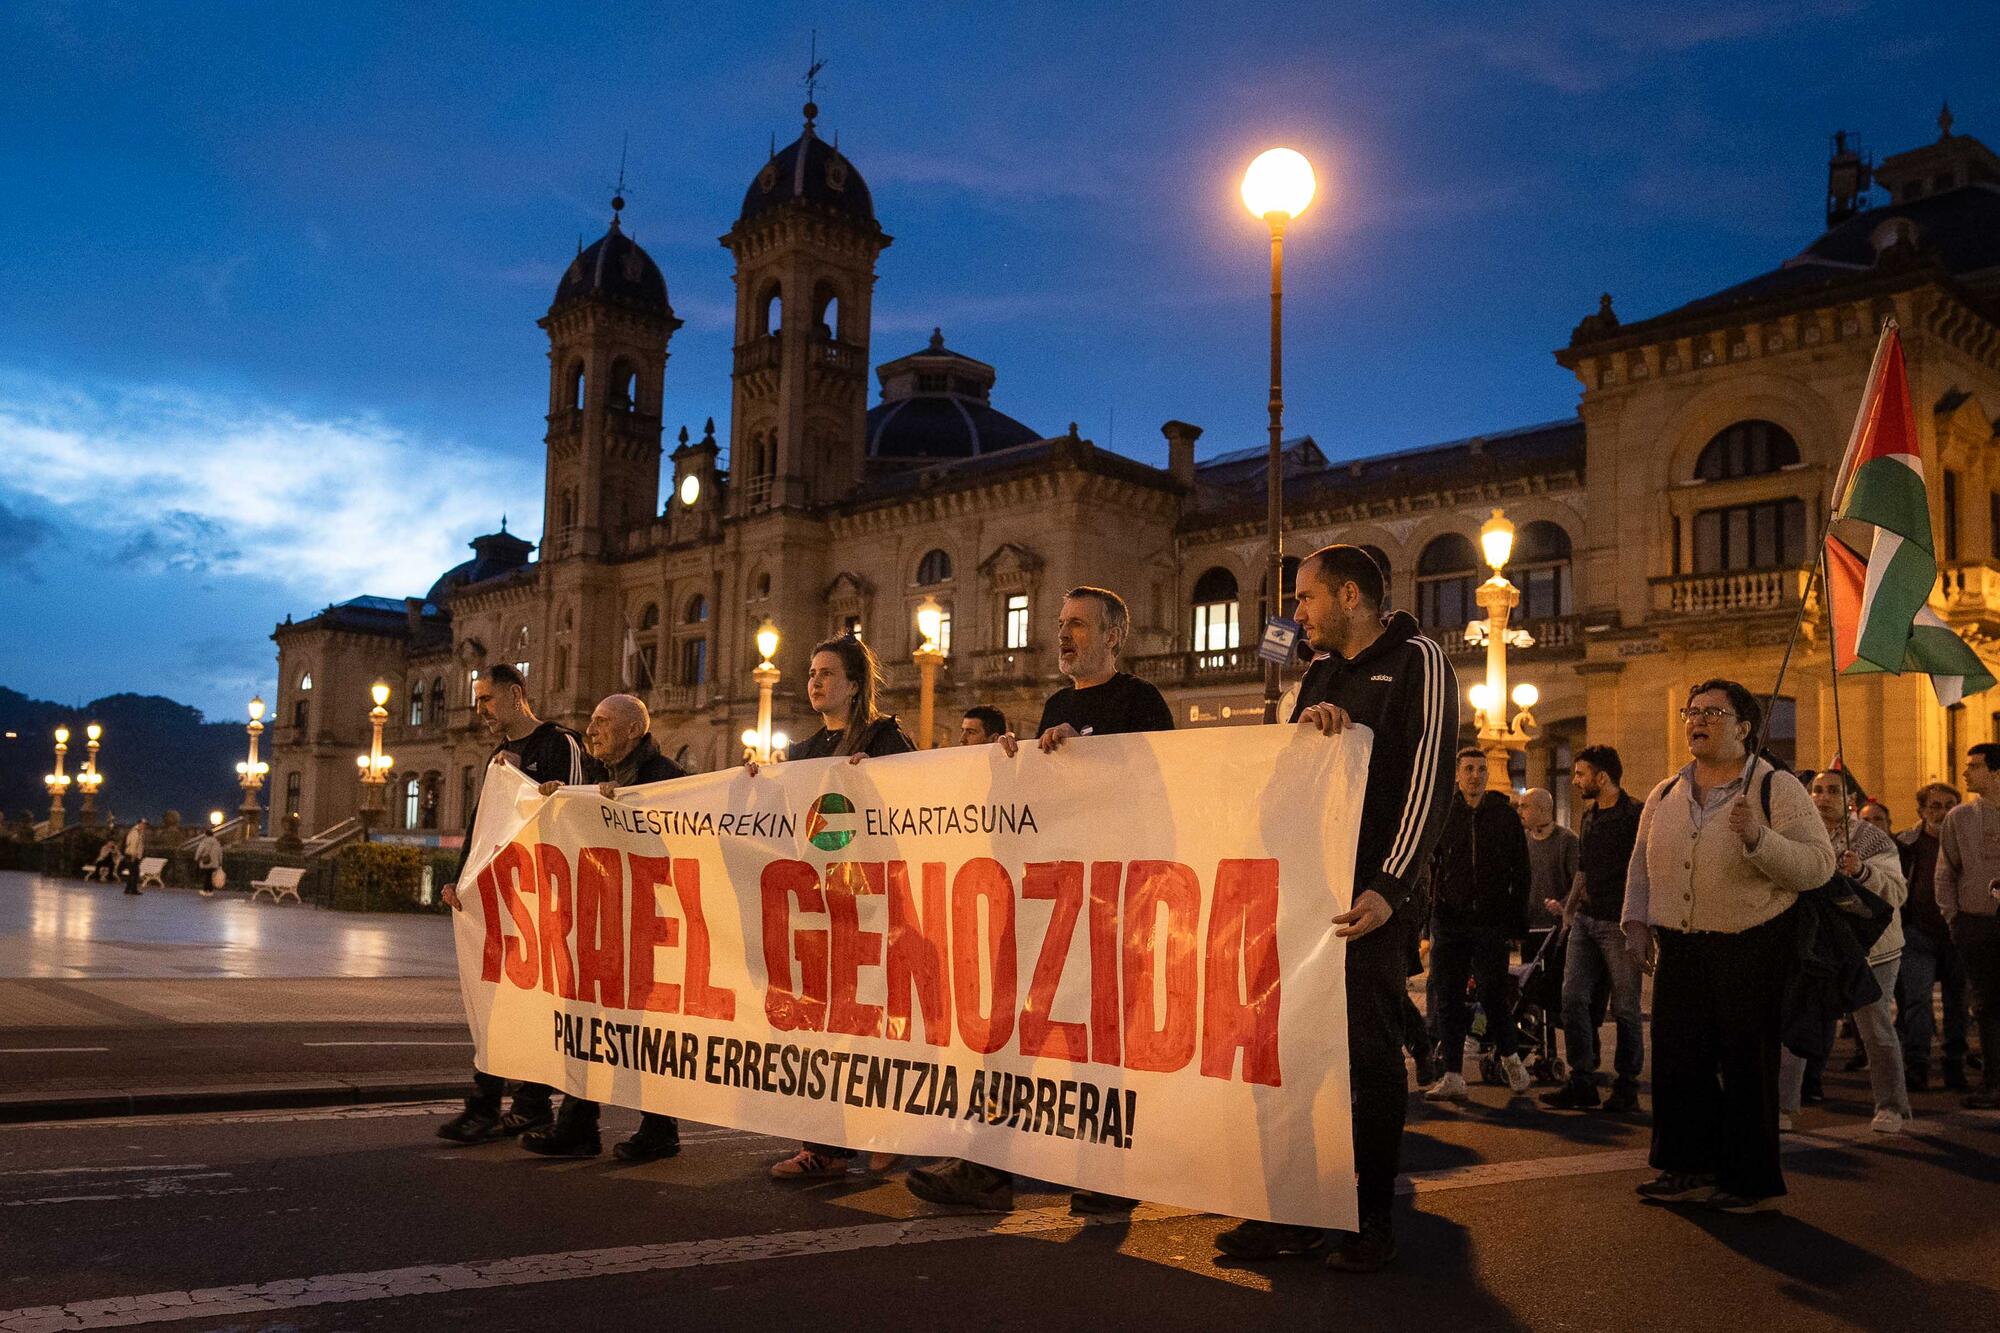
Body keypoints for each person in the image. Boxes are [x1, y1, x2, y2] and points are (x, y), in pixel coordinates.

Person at [1210, 544, 1457, 1272]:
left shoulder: (1418, 660)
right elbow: (1284, 782)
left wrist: (1391, 885)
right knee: (1283, 1051)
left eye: (1305, 598)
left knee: (1369, 1055)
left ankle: (1368, 1216)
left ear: (1350, 596)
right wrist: (1305, 734)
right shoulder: (1317, 672)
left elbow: (1429, 776)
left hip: (1374, 900)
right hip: (1307, 891)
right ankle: (1289, 1209)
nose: (1295, 613)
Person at [907, 587, 1174, 1217]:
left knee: (1099, 1042)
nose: (1063, 634)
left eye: (1078, 624)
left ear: (1114, 636)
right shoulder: (1056, 704)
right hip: (1053, 899)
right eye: (1060, 624)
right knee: (1014, 1031)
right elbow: (1039, 810)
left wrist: (1084, 757)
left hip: (1112, 899)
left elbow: (1163, 792)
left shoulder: (1142, 703)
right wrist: (1015, 766)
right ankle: (988, 1165)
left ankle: (1107, 1172)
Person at [1623, 680, 1833, 1213]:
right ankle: (1687, 1166)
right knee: (1678, 1062)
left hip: (1751, 943)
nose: (1698, 720)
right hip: (1682, 945)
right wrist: (1637, 922)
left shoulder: (1774, 787)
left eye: (1713, 712)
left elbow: (1817, 866)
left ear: (1744, 728)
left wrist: (1760, 840)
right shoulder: (1666, 790)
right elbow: (1642, 861)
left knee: (1746, 1066)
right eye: (1692, 711)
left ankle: (1748, 1182)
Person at [761, 634, 917, 1180]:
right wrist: (761, 784)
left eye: (827, 673)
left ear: (854, 685)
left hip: (872, 906)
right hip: (821, 911)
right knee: (822, 1032)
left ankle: (887, 1128)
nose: (814, 682)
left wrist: (878, 780)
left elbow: (921, 804)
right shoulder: (803, 754)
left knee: (872, 1026)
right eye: (810, 672)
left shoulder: (885, 738)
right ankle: (822, 1145)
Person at [436, 664, 604, 1145]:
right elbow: (483, 826)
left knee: (536, 1005)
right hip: (506, 901)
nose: (480, 710)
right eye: (477, 701)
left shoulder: (560, 744)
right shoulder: (499, 756)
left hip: (546, 902)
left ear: (516, 694)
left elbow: (571, 812)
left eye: (487, 699)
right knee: (498, 1004)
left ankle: (520, 1106)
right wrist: (461, 878)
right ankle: (501, 1106)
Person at [521, 693, 689, 1161]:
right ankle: (577, 1126)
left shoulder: (667, 779)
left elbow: (692, 843)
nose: (590, 731)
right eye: (591, 721)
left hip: (650, 928)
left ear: (634, 731)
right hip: (602, 926)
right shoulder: (592, 778)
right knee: (585, 1024)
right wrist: (561, 805)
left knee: (644, 1032)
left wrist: (632, 810)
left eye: (601, 723)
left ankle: (660, 1129)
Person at [1780, 770, 1911, 1133]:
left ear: (1849, 798)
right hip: (1818, 949)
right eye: (1817, 790)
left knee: (1875, 1028)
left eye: (1832, 791)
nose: (1823, 797)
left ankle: (1892, 1107)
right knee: (1796, 1026)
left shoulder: (1872, 839)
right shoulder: (1799, 834)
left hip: (1872, 951)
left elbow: (1897, 893)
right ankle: (1783, 1107)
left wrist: (1863, 871)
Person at [1423, 749, 1534, 1100]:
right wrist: (1431, 918)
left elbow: (1522, 870)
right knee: (1448, 998)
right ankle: (1454, 1076)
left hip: (1490, 921)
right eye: (1469, 769)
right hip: (1450, 921)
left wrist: (1514, 922)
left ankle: (1512, 1057)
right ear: (1457, 774)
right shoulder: (1442, 813)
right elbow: (1430, 868)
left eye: (1481, 769)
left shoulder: (1503, 815)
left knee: (1492, 994)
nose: (1475, 775)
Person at [1544, 745, 1645, 1113]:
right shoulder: (1588, 817)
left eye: (1581, 774)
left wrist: (1641, 923)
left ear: (1602, 777)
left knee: (1626, 1007)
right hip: (1586, 921)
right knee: (1572, 997)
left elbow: (1646, 870)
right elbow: (1582, 872)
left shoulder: (1635, 815)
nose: (1575, 780)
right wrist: (1569, 913)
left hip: (1619, 923)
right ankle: (1582, 1079)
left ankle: (1627, 1086)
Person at [1934, 744, 2000, 1110]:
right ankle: (1993, 1082)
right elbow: (1946, 872)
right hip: (1976, 923)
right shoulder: (1959, 818)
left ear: (1997, 772)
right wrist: (1954, 919)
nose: (1966, 772)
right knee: (1986, 1005)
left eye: (1974, 766)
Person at [1896, 783, 1967, 1092]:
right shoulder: (1905, 844)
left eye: (1948, 805)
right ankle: (1917, 1065)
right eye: (1934, 805)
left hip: (1958, 936)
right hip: (1918, 935)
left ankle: (1955, 1065)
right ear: (1921, 811)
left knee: (1958, 1004)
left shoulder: (1967, 843)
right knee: (1917, 1002)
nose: (1941, 811)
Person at [1521, 788, 1578, 936]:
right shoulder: (1522, 840)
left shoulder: (1567, 841)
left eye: (1525, 806)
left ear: (1541, 810)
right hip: (1530, 926)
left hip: (1559, 927)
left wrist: (1564, 905)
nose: (1520, 811)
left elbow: (1579, 882)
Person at [190, 828, 225, 897]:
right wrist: (220, 861)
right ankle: (210, 890)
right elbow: (220, 853)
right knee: (210, 876)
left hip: (206, 861)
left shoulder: (204, 842)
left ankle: (206, 890)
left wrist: (196, 858)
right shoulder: (217, 842)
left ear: (206, 834)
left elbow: (200, 850)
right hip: (214, 862)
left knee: (206, 876)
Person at [121, 819, 148, 895]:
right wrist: (133, 856)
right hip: (132, 855)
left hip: (134, 855)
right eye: (143, 824)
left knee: (132, 873)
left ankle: (128, 889)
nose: (144, 826)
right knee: (135, 873)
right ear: (139, 824)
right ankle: (133, 890)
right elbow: (133, 844)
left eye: (145, 824)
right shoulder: (135, 832)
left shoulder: (139, 832)